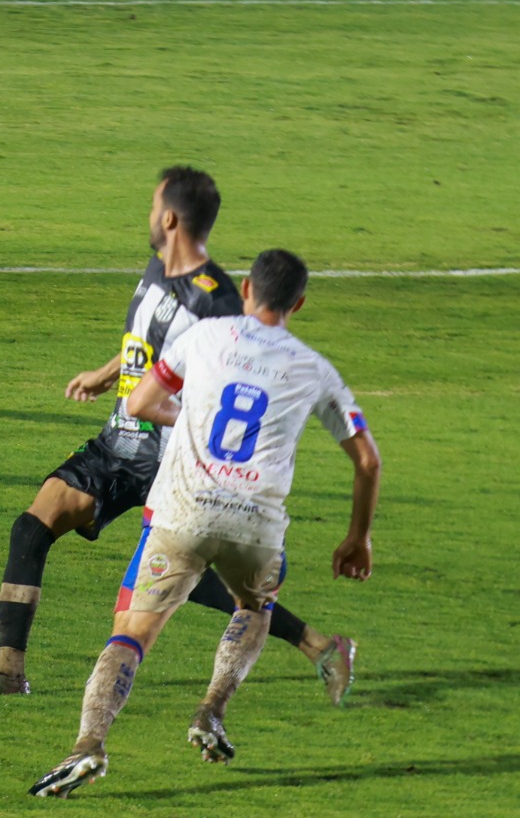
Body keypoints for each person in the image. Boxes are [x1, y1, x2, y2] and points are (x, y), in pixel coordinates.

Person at [0, 167, 353, 701]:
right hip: (120, 437)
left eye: (151, 207)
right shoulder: (157, 268)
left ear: (169, 217)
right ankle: (9, 672)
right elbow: (151, 341)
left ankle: (318, 645)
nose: (147, 215)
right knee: (33, 524)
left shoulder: (216, 302)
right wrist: (108, 373)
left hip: (172, 462)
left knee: (182, 580)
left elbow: (220, 385)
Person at [30, 248, 381, 798]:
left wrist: (191, 413)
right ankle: (212, 709)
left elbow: (143, 402)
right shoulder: (315, 368)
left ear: (246, 289)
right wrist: (357, 537)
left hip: (182, 510)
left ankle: (87, 746)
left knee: (132, 633)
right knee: (255, 606)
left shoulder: (205, 337)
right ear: (300, 303)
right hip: (256, 523)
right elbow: (368, 460)